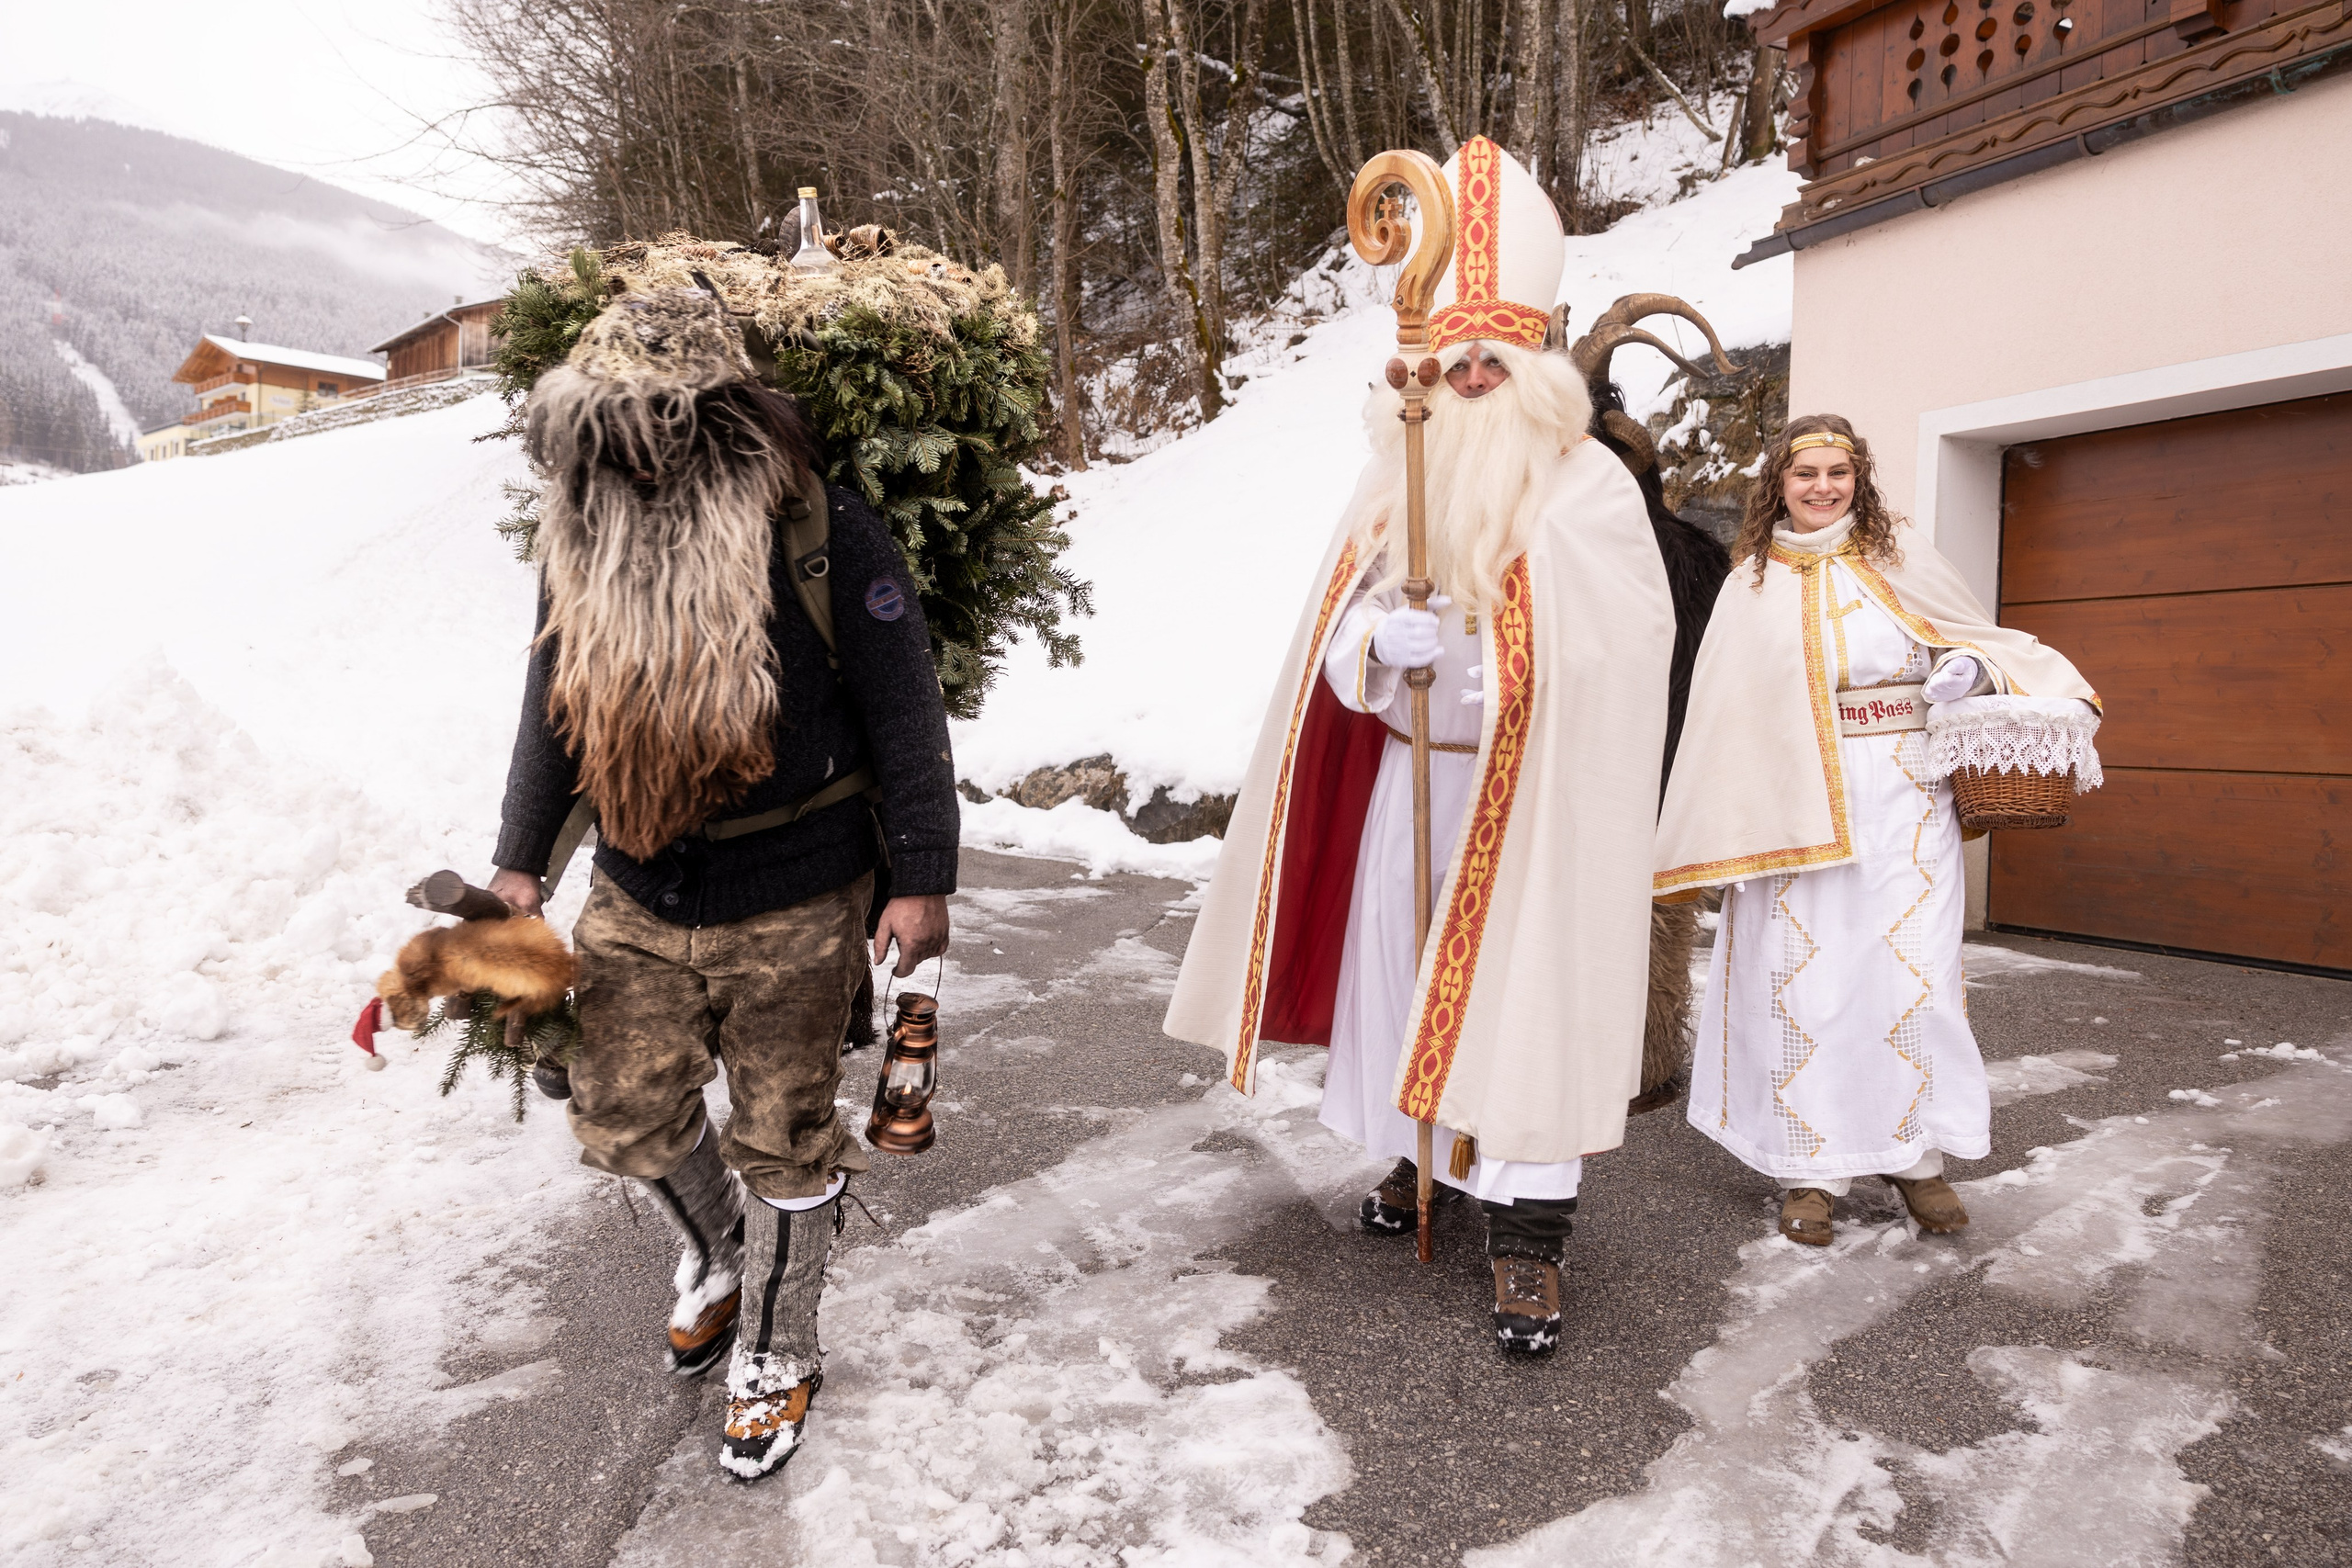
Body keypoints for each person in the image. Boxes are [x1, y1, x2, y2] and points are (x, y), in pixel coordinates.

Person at [1165, 137, 1675, 1354]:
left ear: (1536, 364)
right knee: (1400, 988)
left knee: (1529, 1005)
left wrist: (1499, 663)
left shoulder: (1589, 487)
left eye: (1495, 359)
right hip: (1413, 784)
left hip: (1536, 801)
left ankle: (1531, 1237)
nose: (1474, 377)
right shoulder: (1389, 479)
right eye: (1454, 360)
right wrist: (1383, 649)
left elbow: (1626, 643)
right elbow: (1332, 648)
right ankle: (1422, 1160)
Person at [482, 288, 959, 1478]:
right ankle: (726, 1250)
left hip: (800, 886)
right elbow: (553, 716)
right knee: (619, 1100)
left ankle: (778, 1346)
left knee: (785, 1133)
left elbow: (906, 710)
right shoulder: (579, 544)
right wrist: (517, 864)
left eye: (660, 423)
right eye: (611, 428)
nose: (634, 452)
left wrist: (924, 874)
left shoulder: (822, 532)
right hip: (640, 880)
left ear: (719, 417)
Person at [1655, 414, 2101, 1245]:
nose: (1823, 488)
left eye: (1838, 473)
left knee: (1912, 975)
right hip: (1799, 805)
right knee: (1808, 983)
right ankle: (1810, 1168)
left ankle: (1915, 1155)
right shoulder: (1754, 580)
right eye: (1805, 475)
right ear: (1777, 486)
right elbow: (1725, 713)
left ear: (1859, 478)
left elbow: (1979, 642)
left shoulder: (1900, 557)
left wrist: (1968, 668)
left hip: (1907, 792)